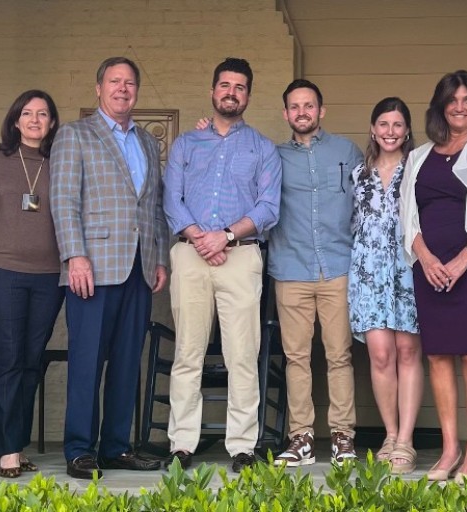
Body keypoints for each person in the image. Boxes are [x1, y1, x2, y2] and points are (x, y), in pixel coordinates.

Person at [51, 56, 169, 480]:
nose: (123, 88)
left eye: (130, 82)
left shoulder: (148, 143)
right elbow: (64, 200)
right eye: (114, 81)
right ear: (98, 88)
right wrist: (74, 255)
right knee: (87, 360)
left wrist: (159, 259)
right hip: (92, 268)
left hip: (139, 267)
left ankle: (116, 447)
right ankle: (80, 449)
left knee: (126, 361)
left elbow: (152, 206)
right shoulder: (74, 135)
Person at [163, 57, 282, 473]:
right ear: (213, 90)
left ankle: (242, 446)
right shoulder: (185, 144)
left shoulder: (263, 148)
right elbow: (171, 199)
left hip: (241, 255)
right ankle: (181, 443)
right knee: (188, 351)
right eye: (225, 85)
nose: (231, 92)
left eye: (240, 87)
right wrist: (200, 237)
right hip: (190, 256)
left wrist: (226, 236)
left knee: (242, 354)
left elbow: (269, 207)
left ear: (248, 95)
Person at [400, 70, 467, 482]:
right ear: (440, 106)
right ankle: (449, 449)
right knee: (438, 354)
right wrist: (425, 258)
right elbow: (407, 217)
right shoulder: (418, 156)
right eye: (453, 100)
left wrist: (464, 258)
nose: (460, 107)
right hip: (429, 266)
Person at [269, 79, 363, 467]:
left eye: (309, 105)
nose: (302, 112)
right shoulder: (271, 156)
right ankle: (301, 437)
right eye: (295, 106)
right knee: (297, 358)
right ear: (286, 113)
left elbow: (367, 203)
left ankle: (343, 437)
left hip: (338, 267)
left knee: (340, 355)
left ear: (321, 110)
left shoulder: (347, 151)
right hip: (291, 268)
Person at [0, 90, 63, 478]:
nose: (34, 120)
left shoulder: (60, 161)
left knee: (31, 363)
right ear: (15, 120)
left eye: (42, 114)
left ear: (51, 122)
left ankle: (16, 443)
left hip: (49, 276)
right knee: (9, 360)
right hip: (5, 272)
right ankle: (7, 450)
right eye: (27, 113)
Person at [348, 97, 421, 474]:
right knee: (380, 355)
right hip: (368, 273)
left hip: (408, 269)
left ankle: (406, 441)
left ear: (407, 130)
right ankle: (389, 434)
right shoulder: (358, 173)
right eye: (383, 124)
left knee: (408, 352)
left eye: (397, 125)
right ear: (373, 129)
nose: (390, 131)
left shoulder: (419, 167)